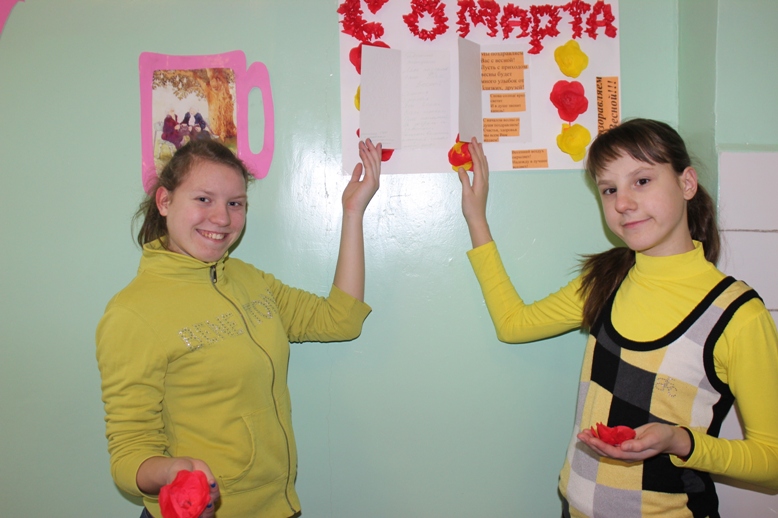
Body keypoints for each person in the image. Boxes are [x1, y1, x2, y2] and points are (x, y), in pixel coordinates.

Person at [457, 119, 778, 517]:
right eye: (609, 189)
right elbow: (513, 323)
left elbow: (772, 462)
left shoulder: (737, 316)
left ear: (687, 183)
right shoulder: (606, 281)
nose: (622, 203)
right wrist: (476, 218)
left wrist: (681, 441)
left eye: (641, 181)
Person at [96, 137, 382, 518]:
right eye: (204, 199)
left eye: (235, 203)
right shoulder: (131, 313)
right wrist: (173, 472)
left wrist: (353, 211)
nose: (222, 218)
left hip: (277, 508)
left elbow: (340, 319)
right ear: (164, 201)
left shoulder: (249, 281)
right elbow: (129, 455)